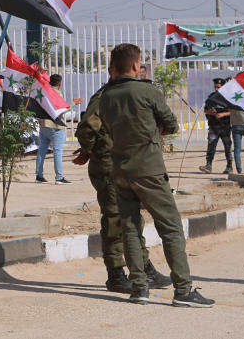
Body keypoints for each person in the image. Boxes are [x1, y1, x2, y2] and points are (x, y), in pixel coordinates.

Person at [99, 43, 214, 308]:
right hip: (148, 169)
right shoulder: (147, 91)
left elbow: (108, 129)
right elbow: (171, 124)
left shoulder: (105, 96)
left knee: (129, 227)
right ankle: (183, 291)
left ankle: (139, 288)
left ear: (114, 67)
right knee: (170, 227)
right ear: (137, 66)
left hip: (120, 169)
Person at [73, 66, 171, 294]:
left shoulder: (132, 94)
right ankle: (116, 273)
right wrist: (91, 150)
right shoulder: (106, 96)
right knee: (115, 219)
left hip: (129, 163)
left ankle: (144, 267)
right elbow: (87, 127)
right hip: (109, 165)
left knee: (133, 219)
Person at [36, 73, 69, 184]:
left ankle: (39, 176)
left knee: (41, 151)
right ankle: (59, 177)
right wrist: (74, 103)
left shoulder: (44, 92)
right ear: (59, 83)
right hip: (56, 126)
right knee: (57, 151)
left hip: (44, 125)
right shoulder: (58, 93)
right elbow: (62, 109)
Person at [199, 78, 233, 174]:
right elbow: (206, 110)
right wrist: (210, 112)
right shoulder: (211, 97)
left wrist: (223, 114)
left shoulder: (228, 98)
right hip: (214, 126)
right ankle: (208, 165)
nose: (217, 89)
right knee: (211, 146)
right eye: (215, 87)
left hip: (225, 127)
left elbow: (233, 112)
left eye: (218, 87)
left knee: (227, 147)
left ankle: (229, 166)